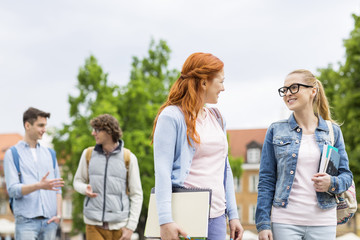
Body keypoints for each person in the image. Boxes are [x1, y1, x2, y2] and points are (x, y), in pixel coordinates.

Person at [152, 52, 244, 240]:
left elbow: (224, 168)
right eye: (220, 81)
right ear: (204, 82)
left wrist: (232, 214)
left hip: (217, 216)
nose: (223, 88)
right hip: (185, 215)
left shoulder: (217, 117)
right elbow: (162, 170)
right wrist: (165, 220)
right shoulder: (172, 116)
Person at [255, 69, 353, 240]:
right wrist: (263, 224)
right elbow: (266, 180)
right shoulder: (276, 130)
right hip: (285, 220)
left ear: (313, 91)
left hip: (323, 221)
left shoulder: (332, 132)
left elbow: (346, 176)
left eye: (294, 88)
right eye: (284, 90)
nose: (287, 94)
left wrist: (332, 182)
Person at [73, 114, 143, 240]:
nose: (93, 133)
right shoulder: (88, 154)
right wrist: (84, 189)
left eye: (97, 130)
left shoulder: (129, 158)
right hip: (93, 224)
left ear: (109, 132)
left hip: (119, 226)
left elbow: (137, 195)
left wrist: (131, 227)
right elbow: (77, 181)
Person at [4, 107, 64, 240]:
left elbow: (58, 189)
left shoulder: (50, 154)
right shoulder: (12, 154)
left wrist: (58, 215)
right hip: (26, 223)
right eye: (40, 125)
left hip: (50, 223)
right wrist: (39, 185)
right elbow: (13, 190)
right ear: (27, 125)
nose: (44, 129)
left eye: (45, 125)